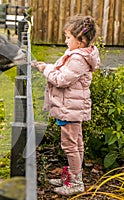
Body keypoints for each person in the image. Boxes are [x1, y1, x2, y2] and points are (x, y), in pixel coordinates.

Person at [35, 15, 100, 196]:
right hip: (70, 107)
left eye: (68, 37)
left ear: (81, 41)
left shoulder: (78, 59)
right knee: (76, 144)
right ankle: (72, 176)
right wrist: (48, 66)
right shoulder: (76, 55)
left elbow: (62, 79)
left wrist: (45, 70)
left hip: (70, 110)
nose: (65, 41)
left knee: (70, 146)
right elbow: (63, 72)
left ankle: (76, 183)